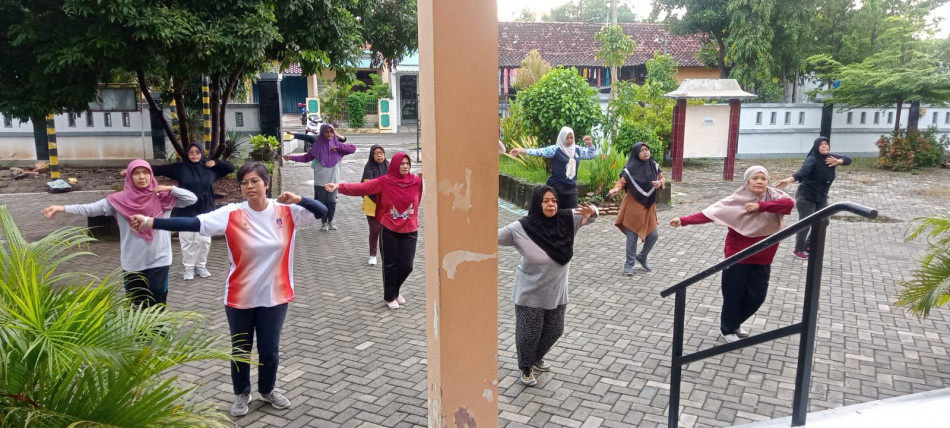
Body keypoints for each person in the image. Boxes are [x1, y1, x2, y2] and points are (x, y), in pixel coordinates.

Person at [127, 163, 328, 417]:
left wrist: (299, 198)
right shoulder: (232, 213)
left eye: (255, 181)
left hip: (276, 296)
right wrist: (150, 222)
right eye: (244, 182)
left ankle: (267, 390)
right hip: (240, 296)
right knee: (240, 350)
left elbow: (322, 210)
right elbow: (192, 223)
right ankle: (242, 393)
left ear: (267, 184)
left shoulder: (286, 211)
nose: (249, 186)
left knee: (269, 351)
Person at [42, 159, 197, 308]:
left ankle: (159, 326)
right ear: (129, 176)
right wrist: (61, 208)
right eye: (136, 173)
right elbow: (90, 208)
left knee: (158, 301)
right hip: (133, 261)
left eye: (145, 172)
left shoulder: (164, 198)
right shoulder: (118, 201)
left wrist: (171, 189)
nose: (142, 177)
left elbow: (191, 199)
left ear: (151, 174)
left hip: (159, 259)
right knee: (136, 304)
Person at [669, 166, 793, 343]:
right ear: (747, 181)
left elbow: (789, 204)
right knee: (733, 295)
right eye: (755, 178)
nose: (759, 182)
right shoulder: (735, 200)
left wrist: (760, 206)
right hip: (738, 257)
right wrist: (683, 220)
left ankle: (734, 323)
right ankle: (728, 329)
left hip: (764, 258)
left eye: (763, 178)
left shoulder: (774, 196)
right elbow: (710, 214)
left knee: (757, 296)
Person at [498, 186, 598, 387]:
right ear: (537, 203)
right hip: (530, 292)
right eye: (545, 201)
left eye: (554, 200)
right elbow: (491, 236)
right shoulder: (521, 228)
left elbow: (592, 215)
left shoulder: (567, 220)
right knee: (529, 334)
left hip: (557, 291)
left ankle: (535, 357)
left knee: (555, 330)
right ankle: (526, 366)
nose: (551, 204)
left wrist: (593, 210)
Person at [325, 152, 423, 309]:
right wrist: (339, 186)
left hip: (410, 229)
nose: (405, 166)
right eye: (402, 163)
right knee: (390, 265)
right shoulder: (385, 182)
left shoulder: (416, 181)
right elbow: (363, 188)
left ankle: (395, 290)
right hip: (390, 228)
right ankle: (390, 296)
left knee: (407, 265)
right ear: (395, 165)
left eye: (407, 163)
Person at [128, 142, 235, 280]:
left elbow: (231, 168)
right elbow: (158, 169)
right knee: (187, 241)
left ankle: (201, 266)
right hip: (186, 209)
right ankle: (189, 268)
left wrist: (216, 162)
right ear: (187, 154)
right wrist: (131, 170)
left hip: (206, 209)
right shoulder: (180, 168)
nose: (194, 155)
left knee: (204, 241)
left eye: (197, 152)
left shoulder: (210, 168)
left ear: (202, 153)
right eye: (191, 152)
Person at [775, 136, 852, 259]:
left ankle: (808, 244)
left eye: (826, 144)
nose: (824, 146)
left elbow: (848, 159)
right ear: (816, 147)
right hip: (806, 196)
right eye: (821, 144)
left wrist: (839, 161)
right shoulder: (812, 159)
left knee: (824, 220)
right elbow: (803, 172)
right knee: (806, 223)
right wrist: (789, 180)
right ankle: (798, 250)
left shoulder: (831, 158)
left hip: (821, 196)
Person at [283, 124, 355, 231]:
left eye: (331, 132)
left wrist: (339, 147)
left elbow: (353, 148)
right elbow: (306, 158)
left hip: (333, 180)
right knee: (322, 202)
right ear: (322, 133)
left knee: (331, 202)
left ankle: (330, 221)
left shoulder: (338, 146)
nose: (329, 134)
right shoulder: (318, 146)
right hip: (320, 179)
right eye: (326, 132)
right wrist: (291, 157)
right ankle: (324, 223)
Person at [608, 142, 666, 276]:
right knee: (632, 237)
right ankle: (629, 264)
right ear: (636, 153)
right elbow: (622, 182)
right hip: (633, 207)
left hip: (648, 207)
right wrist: (616, 189)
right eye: (642, 150)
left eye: (647, 149)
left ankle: (642, 257)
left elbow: (662, 178)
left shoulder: (653, 165)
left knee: (654, 235)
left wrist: (660, 182)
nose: (646, 152)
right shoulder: (630, 168)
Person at [508, 126, 598, 209]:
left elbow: (590, 155)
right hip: (556, 188)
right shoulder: (555, 149)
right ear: (562, 137)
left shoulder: (577, 150)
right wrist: (521, 151)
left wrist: (590, 144)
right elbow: (539, 152)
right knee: (554, 213)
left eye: (571, 138)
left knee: (572, 214)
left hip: (571, 188)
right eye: (567, 138)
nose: (569, 140)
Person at [361, 145, 389, 266]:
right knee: (375, 230)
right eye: (376, 153)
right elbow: (369, 186)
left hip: (387, 204)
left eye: (381, 152)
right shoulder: (369, 167)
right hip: (372, 204)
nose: (379, 155)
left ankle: (388, 253)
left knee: (387, 231)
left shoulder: (389, 166)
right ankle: (373, 255)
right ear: (372, 155)